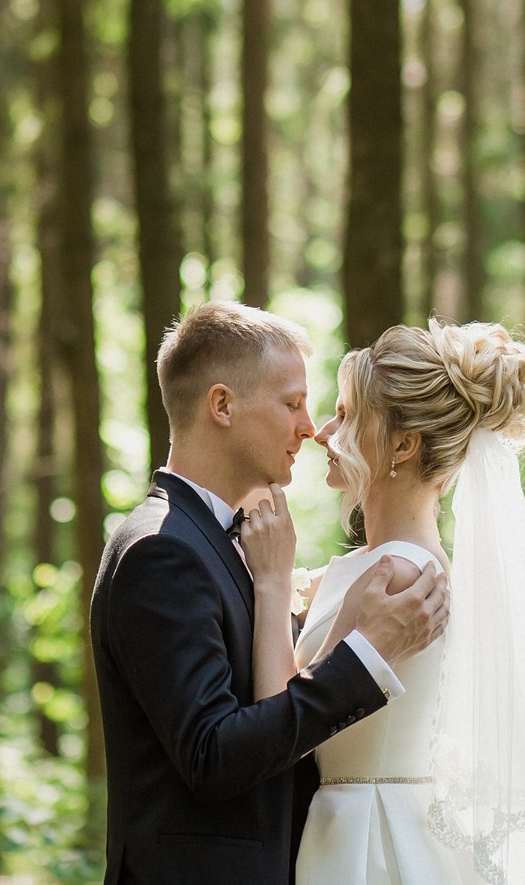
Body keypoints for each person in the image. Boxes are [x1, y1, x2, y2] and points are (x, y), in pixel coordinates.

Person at [90, 301, 451, 885]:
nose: (310, 429)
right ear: (222, 405)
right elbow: (213, 755)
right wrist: (359, 658)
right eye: (293, 403)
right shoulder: (162, 551)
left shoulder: (217, 543)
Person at [238, 319, 525, 885]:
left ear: (403, 445)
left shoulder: (400, 574)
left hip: (369, 842)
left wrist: (269, 582)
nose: (324, 431)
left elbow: (281, 717)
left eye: (347, 414)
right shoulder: (392, 563)